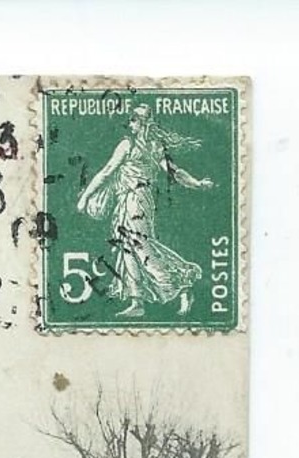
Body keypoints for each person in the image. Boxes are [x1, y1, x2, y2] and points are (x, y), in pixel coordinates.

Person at [76, 103, 214, 318]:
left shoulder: (128, 145)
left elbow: (106, 172)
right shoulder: (155, 146)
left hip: (135, 201)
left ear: (141, 123)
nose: (130, 123)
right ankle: (136, 301)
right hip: (134, 200)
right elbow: (175, 173)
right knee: (128, 248)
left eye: (133, 120)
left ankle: (181, 285)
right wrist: (196, 183)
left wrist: (85, 197)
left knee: (141, 247)